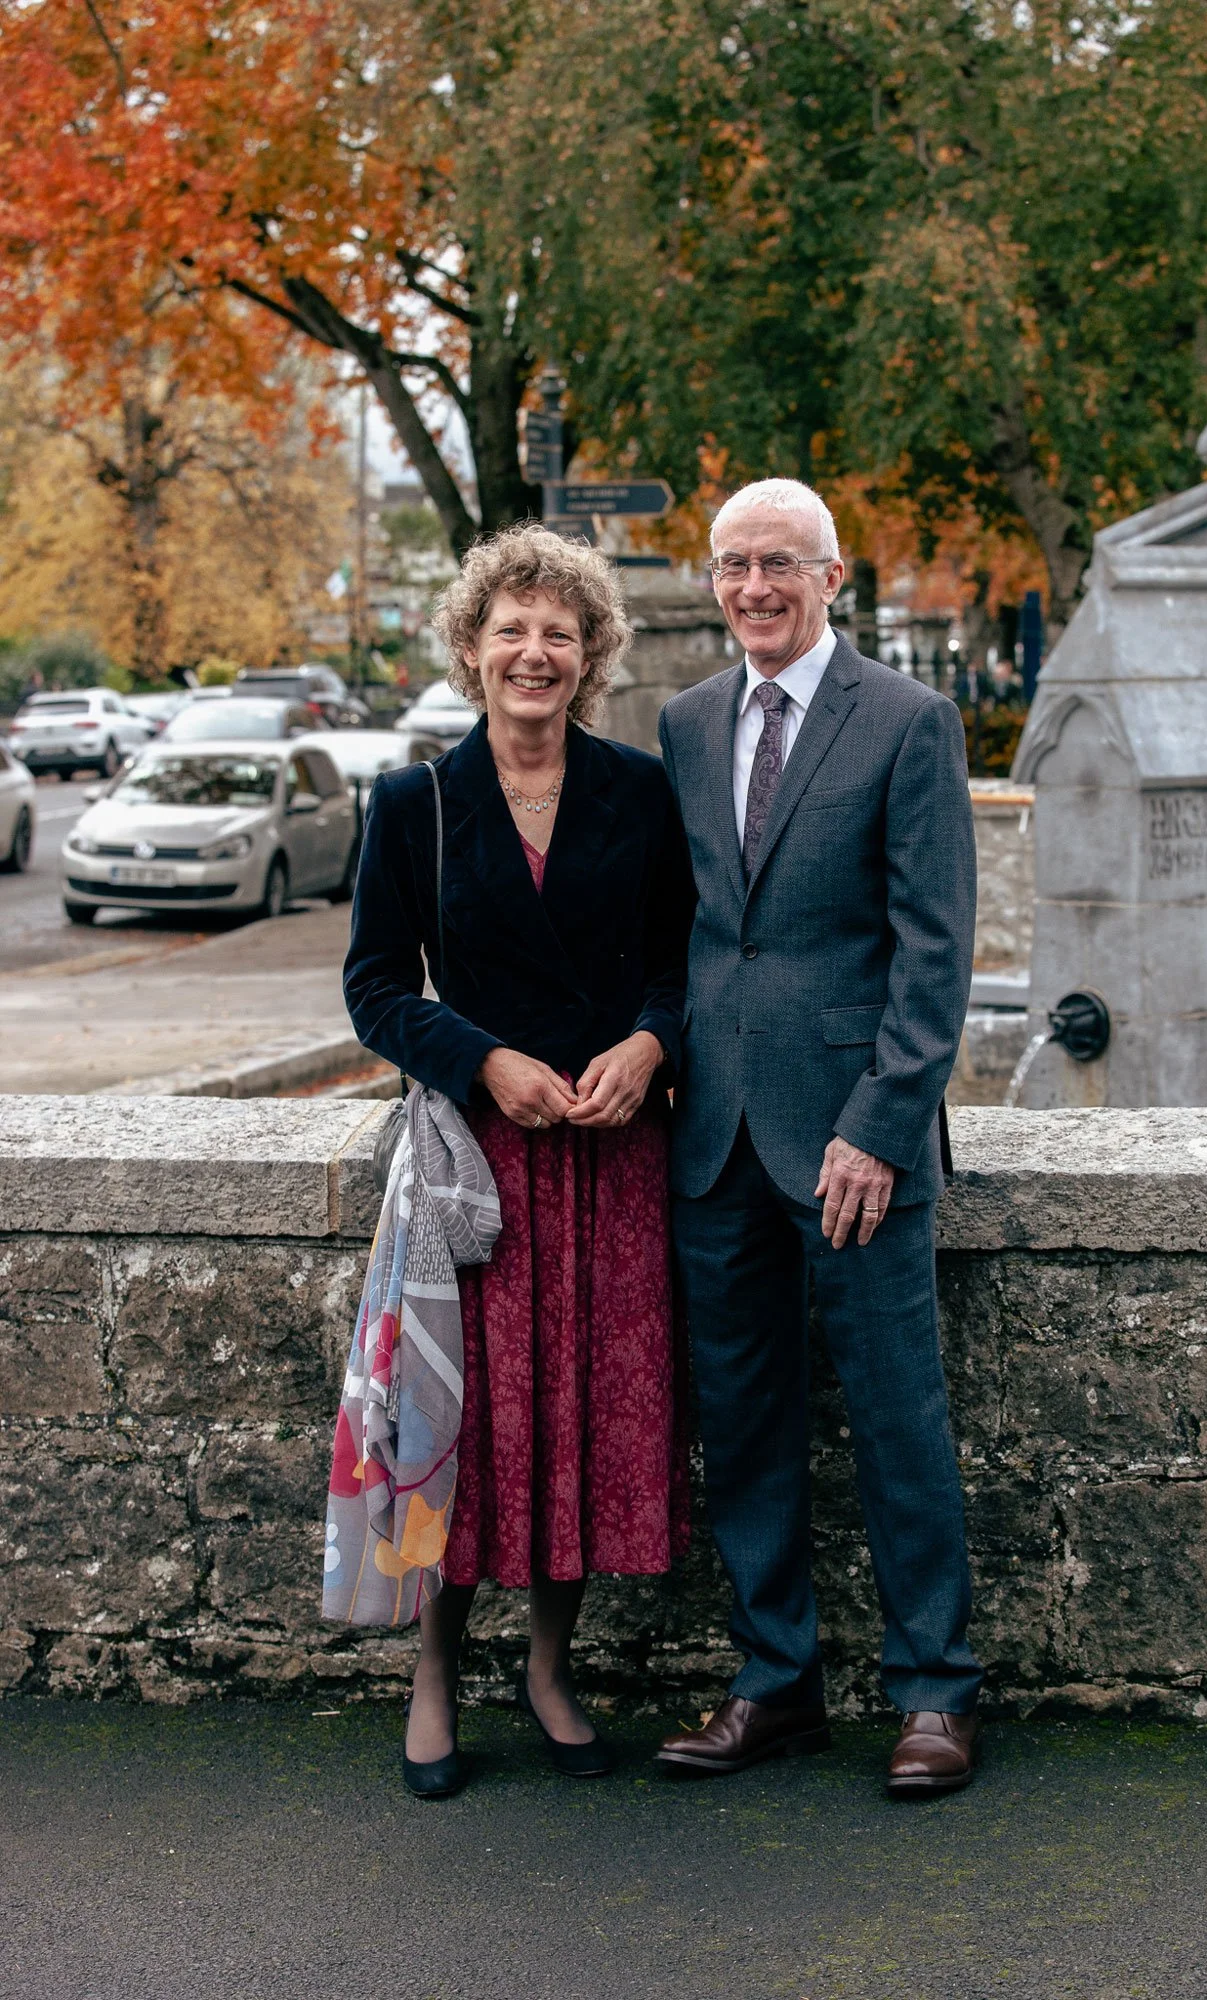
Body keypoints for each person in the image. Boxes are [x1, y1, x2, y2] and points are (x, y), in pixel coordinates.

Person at [343, 524, 693, 1797]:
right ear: (472, 647)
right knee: (460, 1426)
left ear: (590, 652)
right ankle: (434, 1676)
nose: (533, 652)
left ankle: (550, 1669)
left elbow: (680, 963)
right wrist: (480, 1059)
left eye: (559, 631)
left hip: (611, 1160)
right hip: (472, 1173)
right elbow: (374, 986)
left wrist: (653, 1043)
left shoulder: (642, 792)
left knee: (579, 1424)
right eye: (511, 630)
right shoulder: (414, 801)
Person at [655, 478, 983, 1797]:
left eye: (779, 564)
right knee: (739, 1423)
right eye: (733, 565)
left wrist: (881, 1123)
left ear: (832, 575)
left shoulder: (907, 721)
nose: (753, 589)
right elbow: (687, 927)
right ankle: (773, 1680)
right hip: (715, 1136)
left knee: (899, 1418)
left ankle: (936, 1693)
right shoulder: (683, 722)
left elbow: (935, 945)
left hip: (855, 1143)